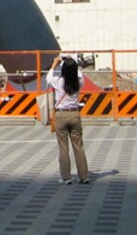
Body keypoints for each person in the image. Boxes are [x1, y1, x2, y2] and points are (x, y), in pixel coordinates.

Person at [47, 55, 89, 185]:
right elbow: (80, 74)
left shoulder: (58, 82)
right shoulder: (79, 82)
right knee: (79, 147)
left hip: (61, 115)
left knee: (63, 148)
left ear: (63, 70)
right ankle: (83, 176)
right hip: (75, 114)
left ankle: (66, 177)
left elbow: (48, 78)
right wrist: (73, 62)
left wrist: (55, 63)